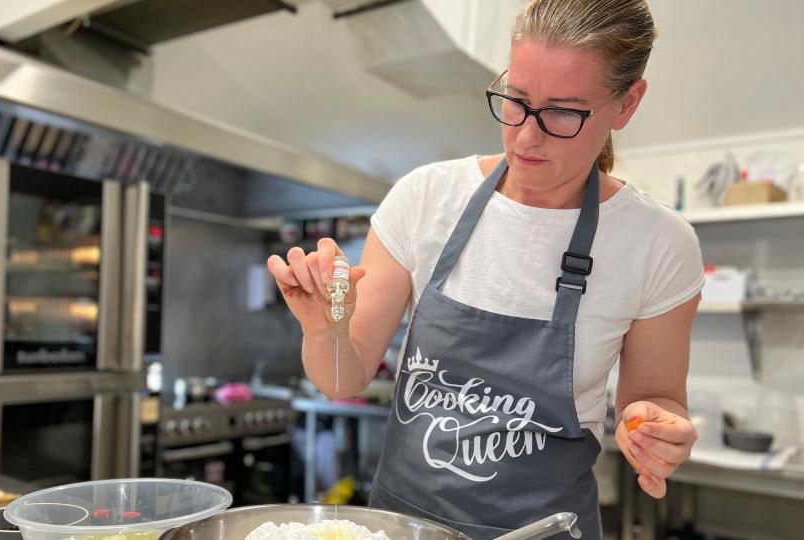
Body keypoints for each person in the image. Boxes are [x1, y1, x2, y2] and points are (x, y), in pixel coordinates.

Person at [267, 0, 702, 538]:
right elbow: (341, 378)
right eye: (516, 101)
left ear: (627, 103)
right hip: (405, 526)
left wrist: (658, 432)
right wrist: (323, 330)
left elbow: (656, 399)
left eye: (564, 112)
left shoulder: (658, 243)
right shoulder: (424, 198)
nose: (524, 137)